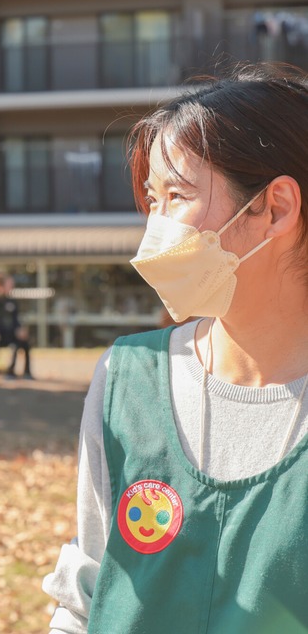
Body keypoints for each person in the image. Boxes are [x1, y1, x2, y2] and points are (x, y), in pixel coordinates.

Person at [42, 62, 308, 633]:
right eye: (151, 198)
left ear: (277, 207)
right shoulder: (127, 376)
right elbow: (85, 597)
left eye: (177, 195)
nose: (156, 227)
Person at [0, 272, 33, 379]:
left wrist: (19, 330)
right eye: (9, 284)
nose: (12, 287)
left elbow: (16, 320)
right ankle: (10, 372)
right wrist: (13, 332)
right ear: (0, 285)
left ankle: (27, 372)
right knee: (15, 343)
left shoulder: (10, 300)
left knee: (24, 342)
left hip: (8, 334)